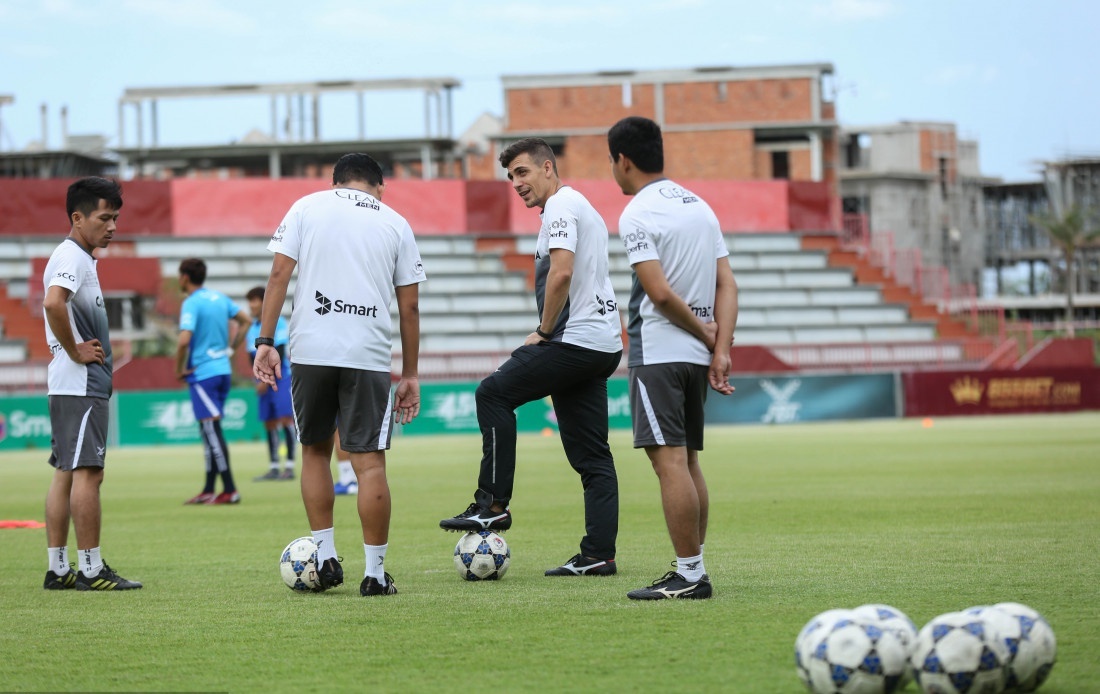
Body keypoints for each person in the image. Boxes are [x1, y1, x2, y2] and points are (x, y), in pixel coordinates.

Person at [439, 137, 624, 578]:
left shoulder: (560, 205)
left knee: (492, 393)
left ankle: (492, 505)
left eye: (522, 172)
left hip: (574, 341)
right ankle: (598, 554)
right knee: (593, 459)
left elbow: (562, 272)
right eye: (510, 176)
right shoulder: (578, 205)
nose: (517, 183)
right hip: (601, 344)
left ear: (547, 167)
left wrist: (543, 332)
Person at [254, 152, 424, 597]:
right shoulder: (395, 222)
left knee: (314, 452)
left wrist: (265, 341)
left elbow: (278, 275)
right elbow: (409, 306)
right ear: (379, 186)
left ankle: (326, 558)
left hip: (311, 348)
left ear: (335, 183)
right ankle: (374, 575)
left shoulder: (306, 207)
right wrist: (410, 373)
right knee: (369, 463)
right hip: (367, 352)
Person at [607, 116, 738, 600]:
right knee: (689, 462)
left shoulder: (637, 214)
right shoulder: (699, 207)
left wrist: (702, 331)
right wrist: (718, 348)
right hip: (695, 357)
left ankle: (690, 575)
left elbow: (658, 294)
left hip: (660, 352)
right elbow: (728, 284)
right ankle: (693, 567)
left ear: (623, 160)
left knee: (669, 465)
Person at [41, 176, 142, 591]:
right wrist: (76, 350)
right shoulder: (73, 257)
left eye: (115, 217)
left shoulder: (78, 256)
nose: (113, 226)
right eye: (104, 218)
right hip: (80, 385)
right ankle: (91, 569)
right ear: (78, 218)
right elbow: (53, 302)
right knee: (88, 473)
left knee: (66, 472)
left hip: (71, 386)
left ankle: (58, 568)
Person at [176, 258, 251, 505]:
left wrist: (179, 369)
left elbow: (184, 341)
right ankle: (209, 489)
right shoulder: (220, 298)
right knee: (207, 429)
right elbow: (246, 321)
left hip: (203, 373)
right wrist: (230, 350)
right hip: (222, 371)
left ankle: (229, 489)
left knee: (211, 428)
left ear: (185, 277)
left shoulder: (191, 302)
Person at [244, 286, 296, 481]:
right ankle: (274, 467)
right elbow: (252, 357)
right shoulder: (252, 328)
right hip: (262, 380)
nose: (251, 305)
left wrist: (266, 380)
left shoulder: (278, 323)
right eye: (249, 301)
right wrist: (257, 379)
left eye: (254, 300)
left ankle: (289, 466)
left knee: (285, 419)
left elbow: (279, 352)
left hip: (281, 378)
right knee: (269, 422)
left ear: (264, 302)